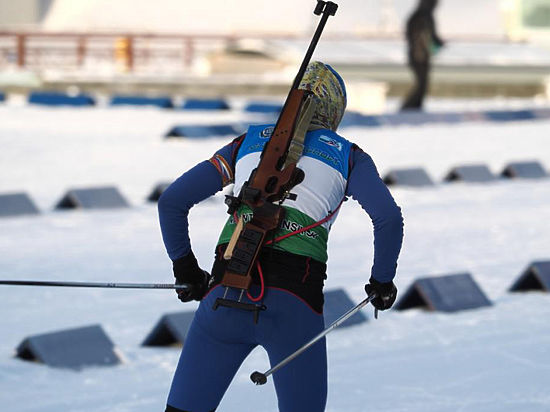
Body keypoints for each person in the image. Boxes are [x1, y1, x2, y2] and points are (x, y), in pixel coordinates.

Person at [158, 61, 404, 412]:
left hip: (225, 293)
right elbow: (388, 218)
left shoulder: (248, 141)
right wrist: (381, 282)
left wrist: (186, 270)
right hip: (294, 306)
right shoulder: (350, 156)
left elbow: (171, 201)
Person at [401, 0, 445, 111]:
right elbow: (413, 36)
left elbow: (433, 37)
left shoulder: (427, 17)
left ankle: (415, 107)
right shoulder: (419, 17)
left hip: (424, 55)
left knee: (423, 83)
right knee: (421, 84)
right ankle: (409, 107)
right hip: (417, 55)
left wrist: (439, 43)